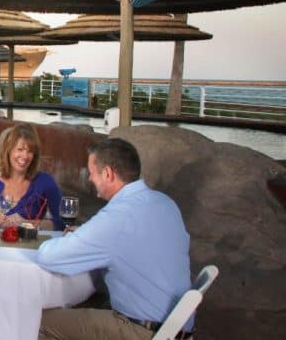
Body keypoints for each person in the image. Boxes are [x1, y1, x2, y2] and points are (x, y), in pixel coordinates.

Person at [35, 138, 192, 340]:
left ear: (108, 173)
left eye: (92, 172)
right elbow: (133, 243)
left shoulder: (118, 216)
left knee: (38, 321)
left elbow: (49, 257)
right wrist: (87, 236)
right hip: (178, 328)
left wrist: (67, 238)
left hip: (145, 331)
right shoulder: (165, 203)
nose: (90, 179)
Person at [0, 123, 64, 230]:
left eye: (30, 151)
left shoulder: (45, 182)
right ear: (8, 150)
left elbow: (62, 223)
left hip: (29, 241)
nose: (25, 156)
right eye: (20, 149)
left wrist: (26, 223)